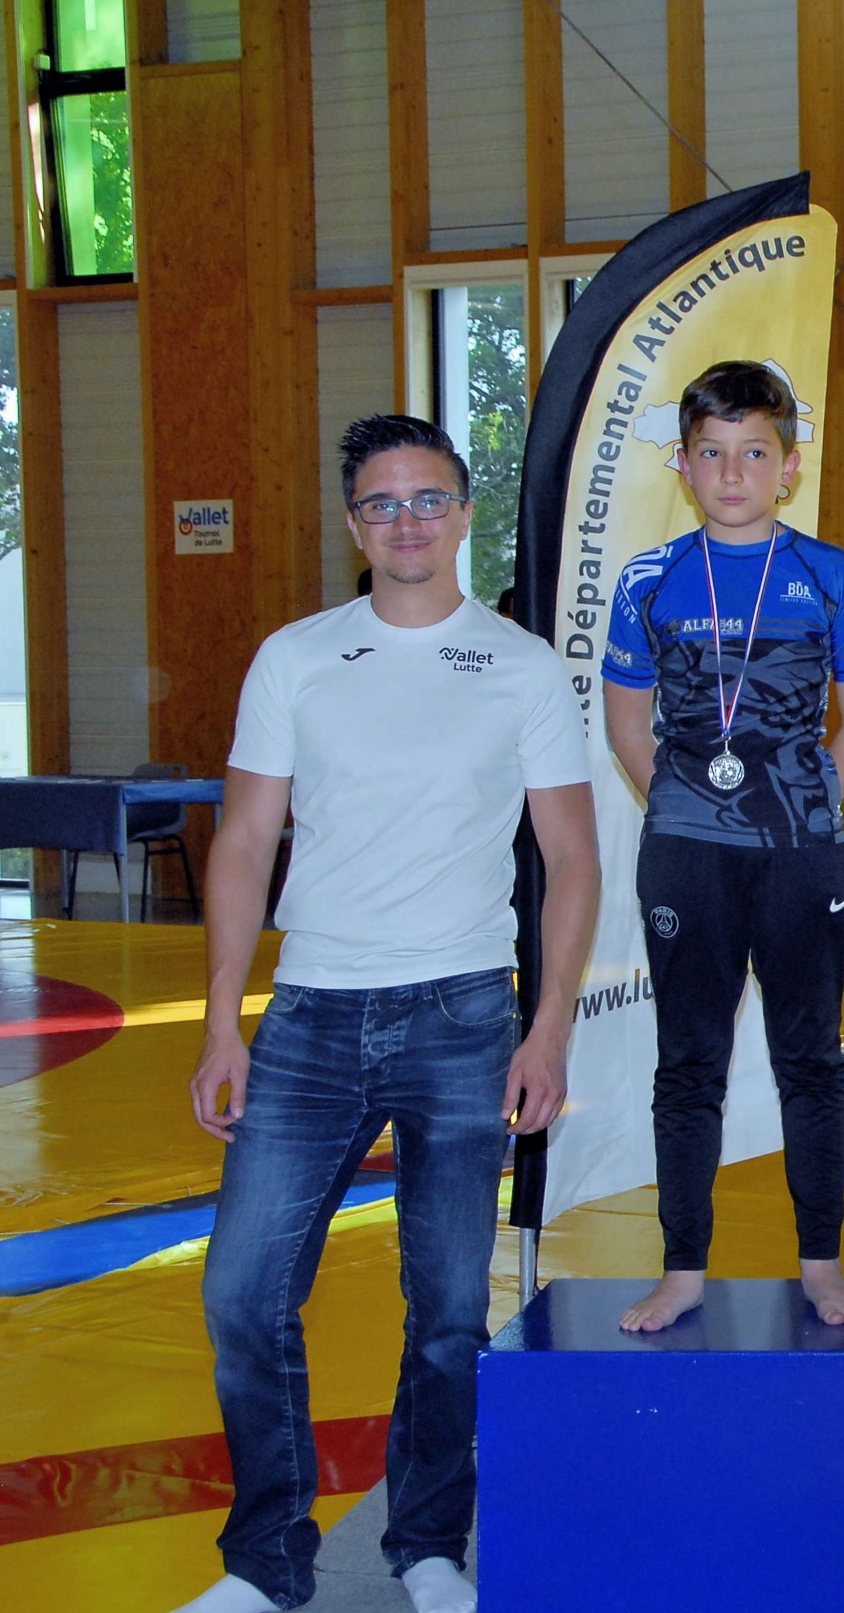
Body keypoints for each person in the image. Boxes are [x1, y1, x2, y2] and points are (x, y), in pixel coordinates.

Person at [178, 415, 600, 1613]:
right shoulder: (296, 658)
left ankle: (426, 1541)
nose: (407, 520)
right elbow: (245, 839)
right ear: (354, 524)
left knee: (450, 1310)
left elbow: (572, 857)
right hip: (312, 1014)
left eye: (428, 498)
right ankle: (266, 1560)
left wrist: (549, 1026)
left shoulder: (521, 667)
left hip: (463, 1017)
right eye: (382, 502)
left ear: (463, 513)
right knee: (241, 1294)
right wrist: (222, 1018)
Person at [602, 360, 844, 1334]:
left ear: (789, 466)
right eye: (713, 453)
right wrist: (693, 810)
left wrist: (799, 809)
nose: (733, 473)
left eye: (755, 453)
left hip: (800, 851)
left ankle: (821, 1261)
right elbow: (626, 723)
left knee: (809, 1058)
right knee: (689, 1062)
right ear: (683, 465)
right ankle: (682, 1268)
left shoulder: (828, 573)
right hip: (688, 851)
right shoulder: (649, 579)